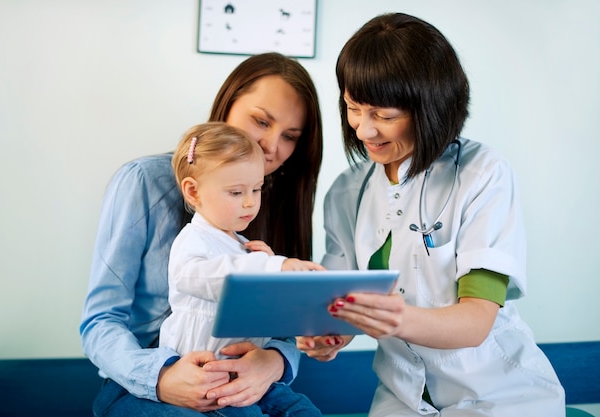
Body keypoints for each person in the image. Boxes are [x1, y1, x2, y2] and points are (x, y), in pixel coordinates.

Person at [297, 13, 565, 416]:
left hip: (498, 396)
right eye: (354, 108)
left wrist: (393, 319)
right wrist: (329, 334)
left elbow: (476, 322)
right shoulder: (347, 191)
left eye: (384, 116)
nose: (363, 130)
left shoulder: (481, 174)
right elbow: (341, 301)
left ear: (432, 108)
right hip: (400, 398)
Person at [80, 52, 323, 416]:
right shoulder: (144, 181)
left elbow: (280, 327)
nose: (271, 146)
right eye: (261, 121)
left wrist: (272, 362)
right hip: (145, 387)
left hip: (239, 382)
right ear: (227, 105)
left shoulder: (271, 201)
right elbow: (101, 321)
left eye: (290, 136)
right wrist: (161, 378)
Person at [160, 122, 324, 417]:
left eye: (257, 189)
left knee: (304, 410)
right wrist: (272, 268)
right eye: (236, 192)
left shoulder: (246, 247)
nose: (250, 202)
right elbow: (212, 278)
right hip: (210, 377)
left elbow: (259, 302)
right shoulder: (192, 241)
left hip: (250, 375)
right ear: (194, 192)